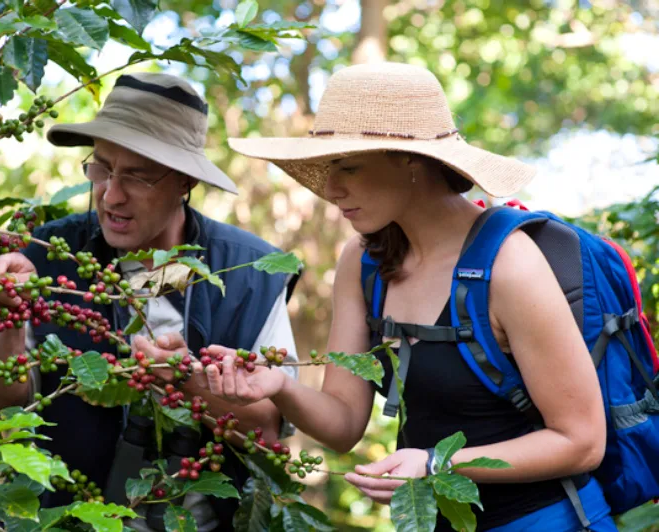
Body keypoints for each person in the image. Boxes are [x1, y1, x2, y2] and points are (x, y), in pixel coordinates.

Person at [191, 62, 616, 531]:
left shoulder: (509, 264)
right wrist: (280, 387)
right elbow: (344, 424)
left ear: (410, 160)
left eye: (348, 166)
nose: (331, 189)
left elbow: (581, 441)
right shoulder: (365, 261)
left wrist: (435, 464)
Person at [0, 72, 300, 531]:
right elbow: (5, 412)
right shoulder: (47, 258)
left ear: (185, 180)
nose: (112, 195)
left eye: (137, 176)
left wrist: (187, 382)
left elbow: (267, 434)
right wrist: (5, 318)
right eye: (102, 168)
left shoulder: (250, 272)